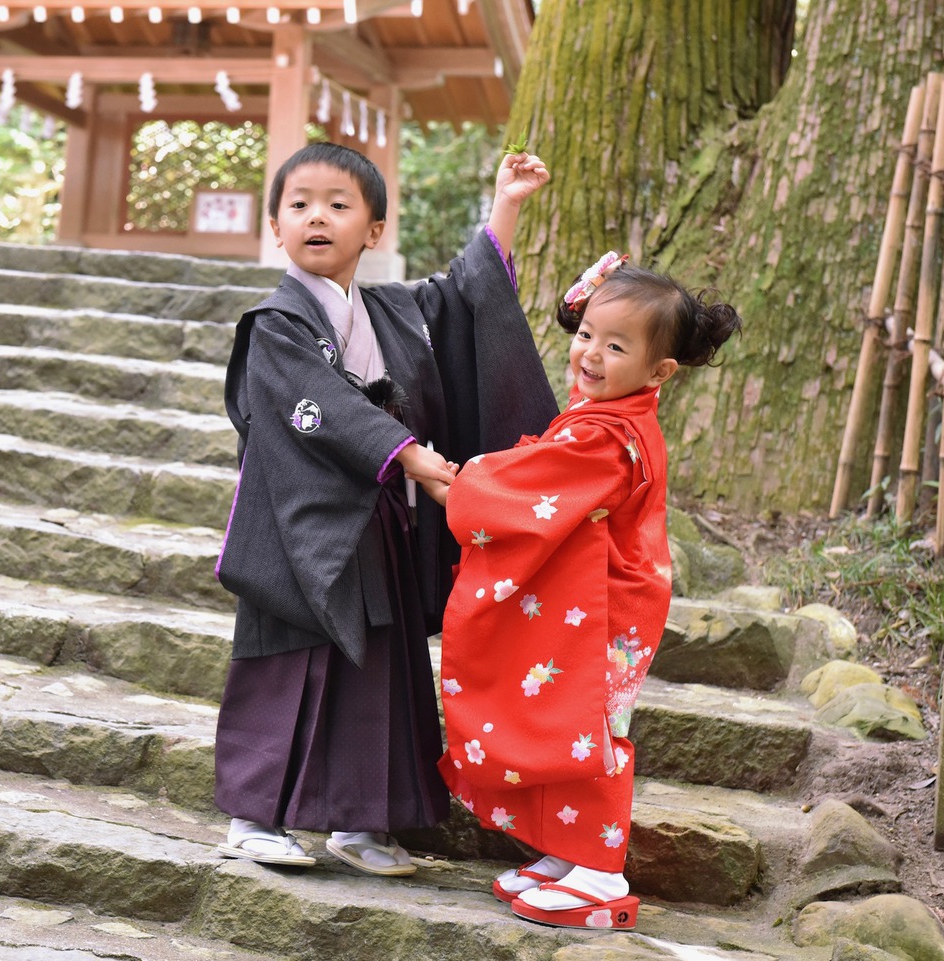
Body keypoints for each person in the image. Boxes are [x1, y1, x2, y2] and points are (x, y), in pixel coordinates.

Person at [212, 141, 558, 876]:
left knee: (382, 672)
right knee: (288, 668)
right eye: (299, 204)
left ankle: (361, 822)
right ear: (275, 226)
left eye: (339, 205)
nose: (317, 217)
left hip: (380, 528)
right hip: (296, 528)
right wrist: (407, 453)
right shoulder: (274, 324)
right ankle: (252, 816)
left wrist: (508, 204)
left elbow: (466, 295)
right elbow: (322, 403)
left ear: (373, 231)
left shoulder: (393, 312)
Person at [430, 253, 741, 927]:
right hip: (592, 603)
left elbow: (534, 485)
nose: (591, 355)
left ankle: (600, 871)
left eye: (616, 345)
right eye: (586, 336)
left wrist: (461, 481)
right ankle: (564, 849)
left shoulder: (611, 435)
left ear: (660, 371)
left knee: (595, 731)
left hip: (610, 612)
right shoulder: (607, 416)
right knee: (568, 722)